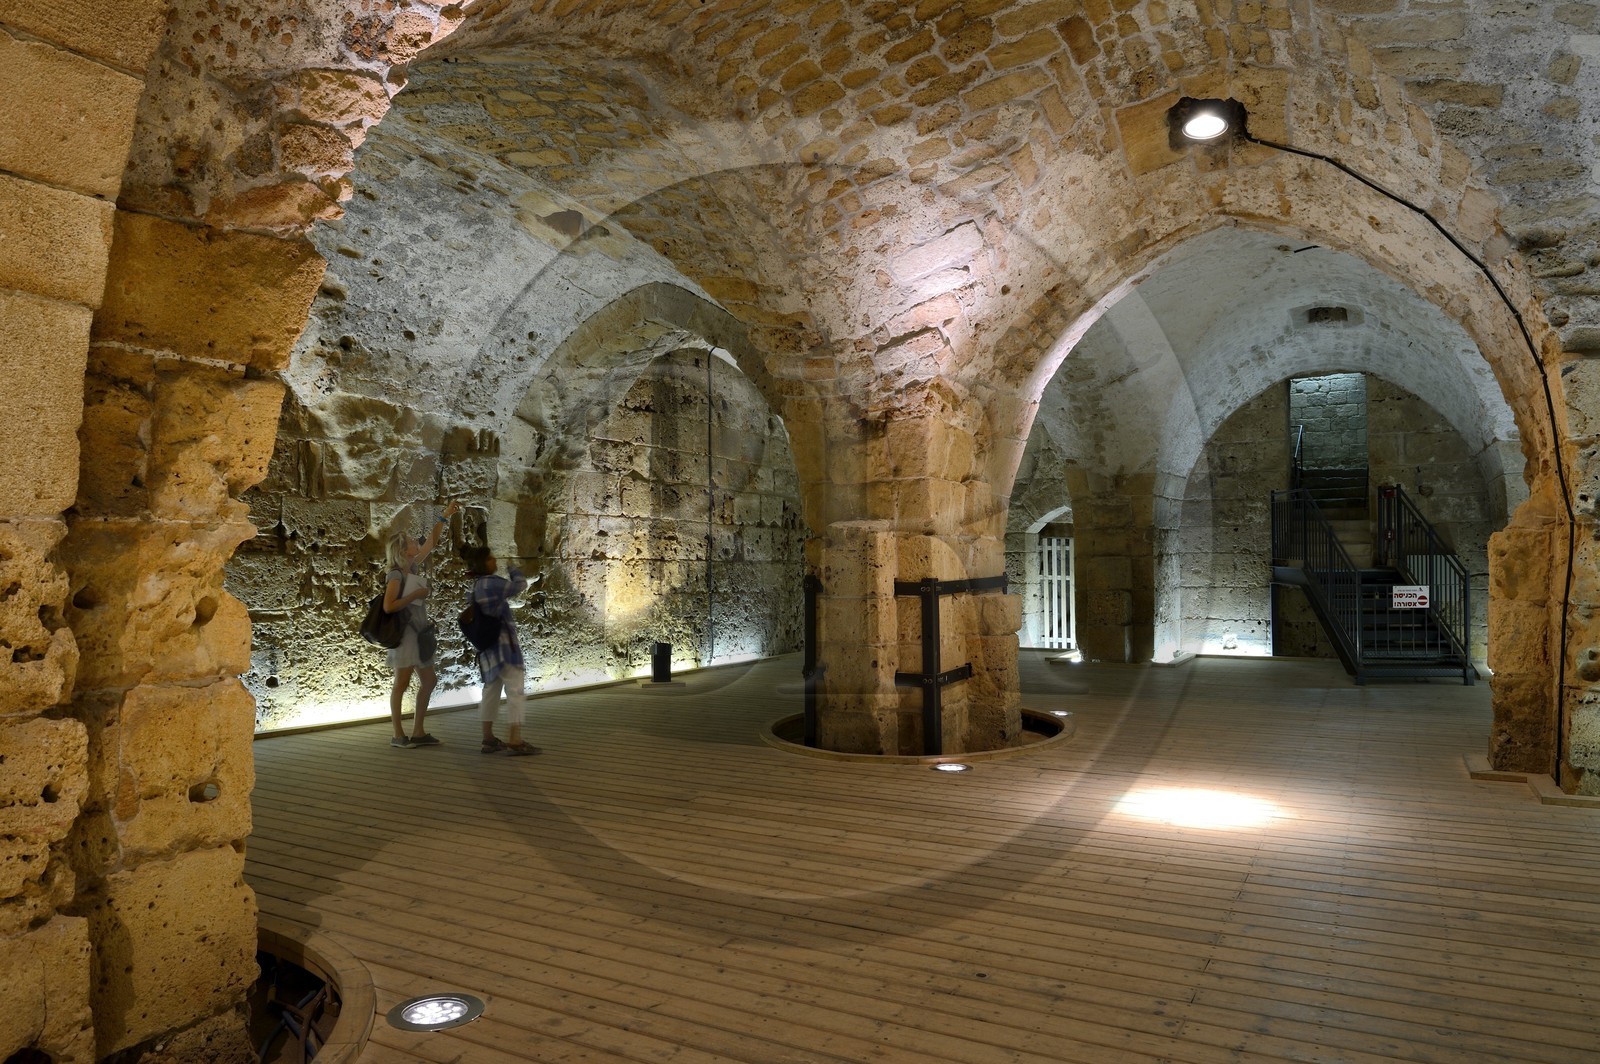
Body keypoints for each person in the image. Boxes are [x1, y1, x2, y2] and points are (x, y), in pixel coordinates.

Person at [384, 500, 459, 747]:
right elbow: (389, 606)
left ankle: (418, 731)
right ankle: (397, 734)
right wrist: (416, 595)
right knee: (401, 684)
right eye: (412, 542)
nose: (417, 543)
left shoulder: (412, 567)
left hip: (418, 635)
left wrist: (444, 516)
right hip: (405, 636)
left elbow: (432, 543)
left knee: (429, 681)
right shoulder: (395, 574)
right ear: (403, 549)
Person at [462, 544, 539, 755]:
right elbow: (519, 585)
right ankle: (515, 739)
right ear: (484, 563)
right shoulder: (491, 583)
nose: (494, 561)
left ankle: (488, 738)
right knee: (515, 691)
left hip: (487, 650)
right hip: (505, 647)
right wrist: (513, 567)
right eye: (491, 559)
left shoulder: (475, 586)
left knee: (490, 692)